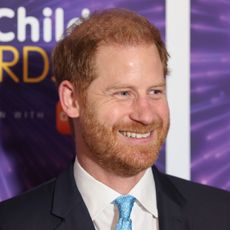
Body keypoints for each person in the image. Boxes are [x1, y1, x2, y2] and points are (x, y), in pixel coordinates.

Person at [0, 8, 229, 230]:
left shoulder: (221, 214)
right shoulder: (12, 222)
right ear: (71, 100)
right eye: (123, 93)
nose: (146, 114)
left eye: (155, 92)